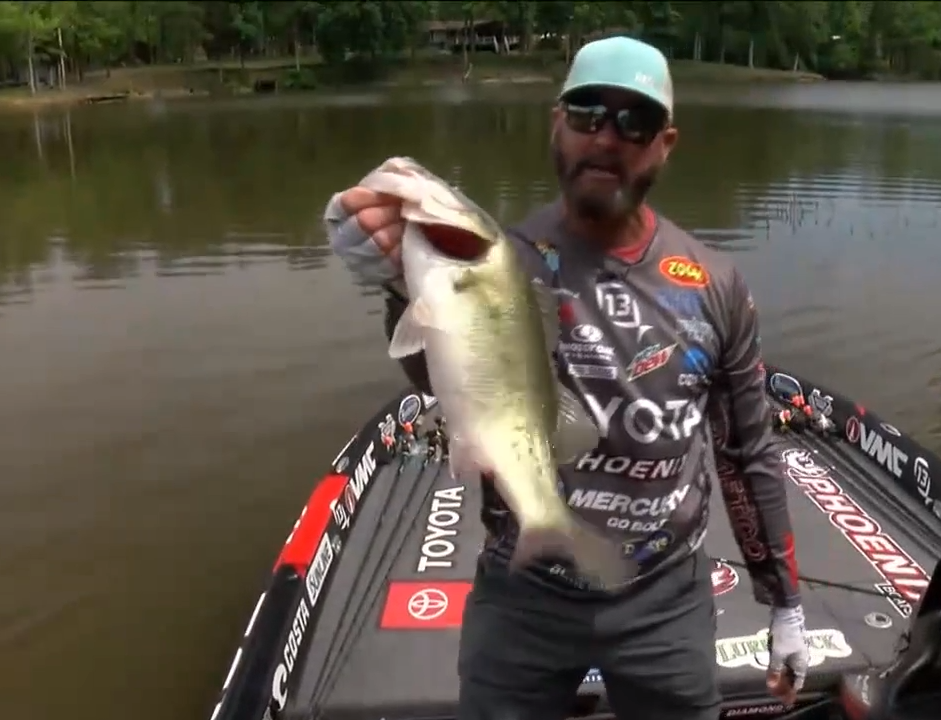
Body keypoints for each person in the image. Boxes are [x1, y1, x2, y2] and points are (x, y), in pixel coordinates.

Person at [325, 36, 807, 720]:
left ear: (665, 144)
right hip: (522, 594)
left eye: (634, 122)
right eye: (586, 114)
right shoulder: (503, 260)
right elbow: (437, 378)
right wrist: (399, 285)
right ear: (557, 124)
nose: (605, 138)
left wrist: (785, 603)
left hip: (667, 600)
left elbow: (746, 450)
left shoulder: (715, 284)